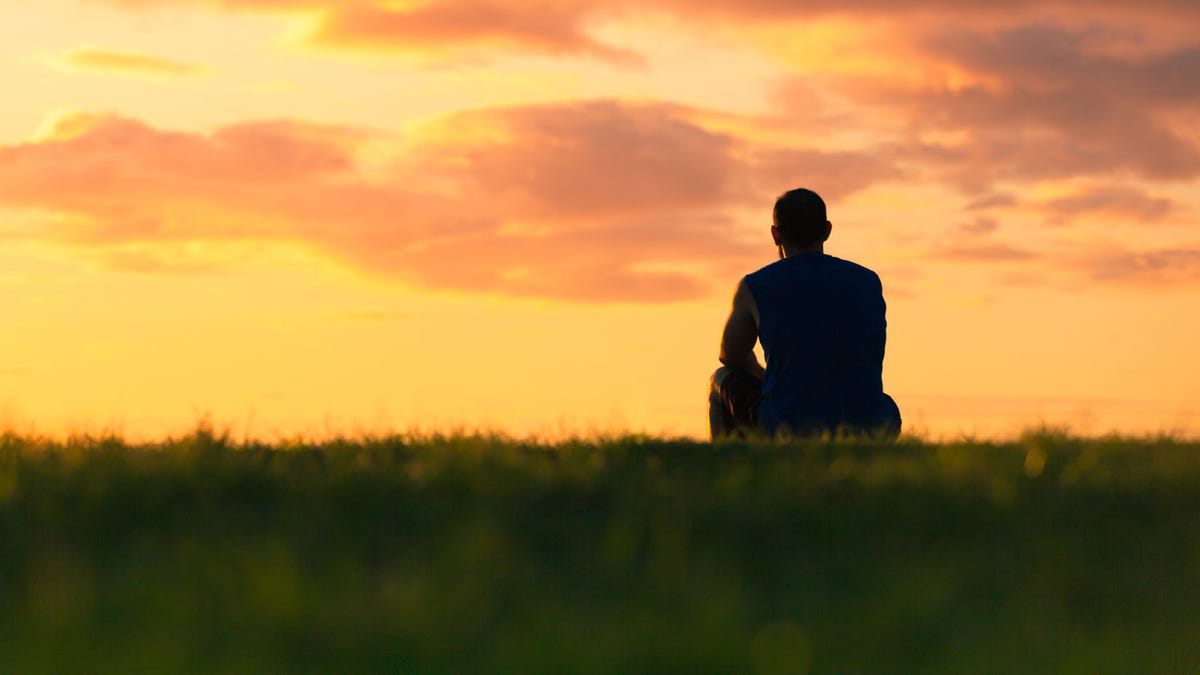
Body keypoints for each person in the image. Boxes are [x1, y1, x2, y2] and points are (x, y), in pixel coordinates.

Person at [709, 188, 901, 439]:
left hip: (788, 426)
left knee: (721, 378)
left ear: (775, 235)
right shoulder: (868, 281)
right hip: (873, 423)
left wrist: (759, 373)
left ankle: (728, 469)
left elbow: (729, 356)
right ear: (827, 230)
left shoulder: (755, 286)